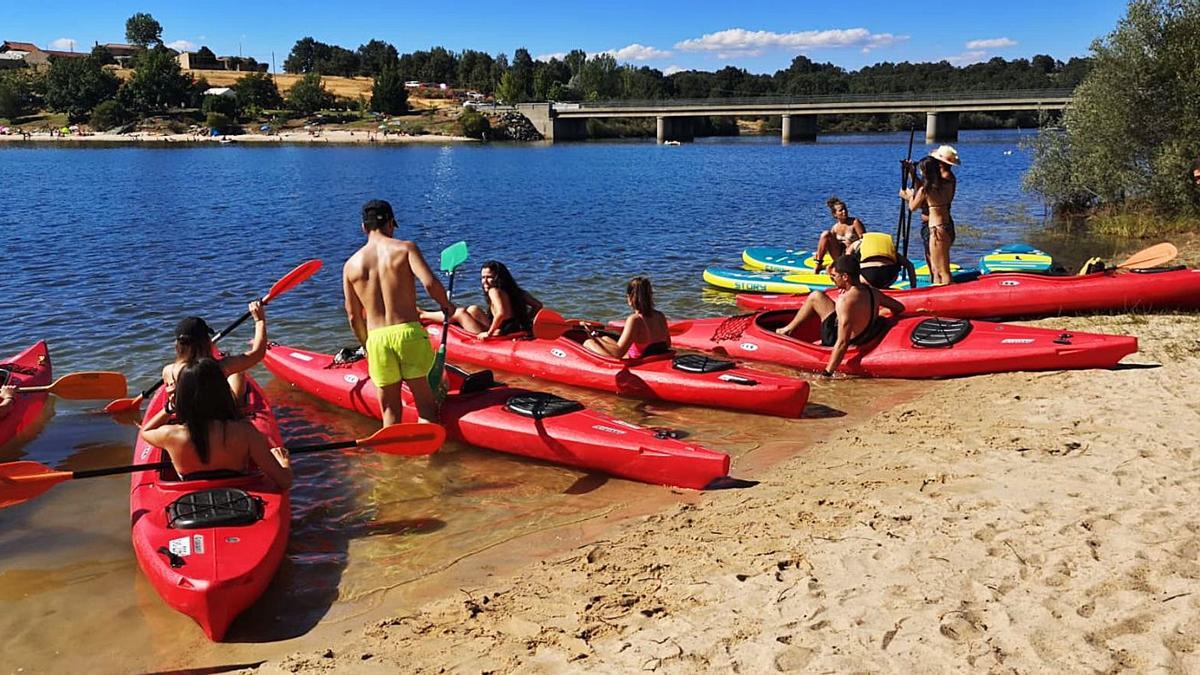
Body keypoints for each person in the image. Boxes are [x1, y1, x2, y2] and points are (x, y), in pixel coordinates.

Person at [343, 199, 453, 426]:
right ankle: (429, 460)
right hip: (408, 334)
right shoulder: (405, 248)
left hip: (377, 340)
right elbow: (430, 283)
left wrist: (366, 345)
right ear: (391, 223)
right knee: (426, 407)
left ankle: (393, 462)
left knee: (390, 412)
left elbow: (353, 316)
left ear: (364, 227)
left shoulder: (351, 265)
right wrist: (446, 306)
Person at [141, 358, 292, 488]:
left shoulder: (170, 434)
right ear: (224, 391)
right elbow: (284, 481)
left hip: (191, 504)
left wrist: (168, 409)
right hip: (237, 496)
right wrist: (283, 463)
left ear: (182, 396)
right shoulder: (245, 432)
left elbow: (145, 432)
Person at [774, 255, 906, 376]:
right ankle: (787, 329)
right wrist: (880, 313)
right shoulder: (873, 292)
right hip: (867, 333)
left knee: (815, 296)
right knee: (820, 297)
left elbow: (842, 342)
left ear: (845, 277)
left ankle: (786, 330)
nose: (832, 280)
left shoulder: (845, 301)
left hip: (841, 340)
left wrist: (827, 372)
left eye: (834, 276)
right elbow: (899, 308)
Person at [162, 302, 267, 403]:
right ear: (207, 342)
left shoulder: (168, 371)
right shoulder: (219, 367)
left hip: (189, 416)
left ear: (177, 345)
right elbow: (257, 354)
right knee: (237, 373)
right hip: (218, 417)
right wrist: (260, 321)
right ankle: (239, 403)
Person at [422, 260, 542, 339]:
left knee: (460, 313)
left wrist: (489, 333)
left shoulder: (494, 290)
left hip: (501, 333)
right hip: (513, 329)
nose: (485, 281)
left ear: (498, 277)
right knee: (473, 309)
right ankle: (427, 315)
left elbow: (501, 313)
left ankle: (424, 315)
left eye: (489, 277)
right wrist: (525, 321)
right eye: (483, 277)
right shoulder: (516, 291)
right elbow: (537, 305)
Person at [901, 146, 959, 285]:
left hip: (937, 229)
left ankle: (947, 295)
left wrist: (908, 195)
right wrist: (912, 173)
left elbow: (913, 206)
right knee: (941, 268)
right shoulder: (947, 182)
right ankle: (940, 289)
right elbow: (929, 186)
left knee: (940, 270)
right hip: (946, 226)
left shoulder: (925, 189)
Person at [583, 276, 671, 359]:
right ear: (650, 296)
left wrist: (594, 336)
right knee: (605, 339)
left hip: (637, 361)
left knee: (588, 343)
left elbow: (618, 353)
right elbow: (668, 344)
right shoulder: (660, 315)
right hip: (652, 357)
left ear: (630, 298)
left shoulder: (635, 319)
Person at [813, 197, 866, 274]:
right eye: (841, 210)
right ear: (835, 214)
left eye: (845, 209)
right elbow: (828, 244)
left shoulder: (855, 222)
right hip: (839, 255)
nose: (844, 212)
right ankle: (818, 264)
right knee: (826, 234)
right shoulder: (835, 228)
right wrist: (818, 254)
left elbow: (864, 240)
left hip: (853, 256)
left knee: (832, 269)